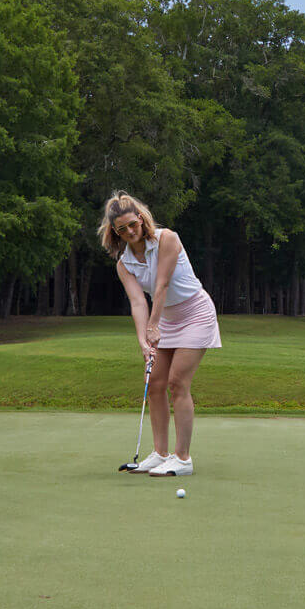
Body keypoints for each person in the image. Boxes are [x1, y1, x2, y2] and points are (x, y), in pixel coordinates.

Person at [97, 192, 222, 478]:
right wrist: (143, 340)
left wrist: (154, 327)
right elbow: (138, 302)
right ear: (114, 233)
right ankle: (160, 453)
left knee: (177, 382)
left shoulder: (168, 239)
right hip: (164, 317)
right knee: (154, 383)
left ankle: (183, 458)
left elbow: (162, 286)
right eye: (122, 229)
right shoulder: (124, 264)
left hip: (194, 313)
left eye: (132, 224)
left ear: (141, 218)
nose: (130, 231)